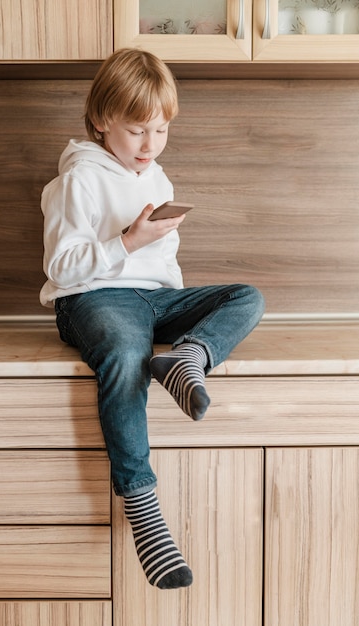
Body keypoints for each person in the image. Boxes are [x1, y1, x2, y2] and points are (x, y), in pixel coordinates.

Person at [40, 47, 265, 590]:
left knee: (247, 295)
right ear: (101, 122)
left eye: (160, 130)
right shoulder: (79, 180)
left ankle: (189, 357)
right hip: (93, 298)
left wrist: (180, 311)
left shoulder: (156, 178)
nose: (150, 144)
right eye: (138, 130)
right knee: (125, 353)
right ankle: (143, 505)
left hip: (152, 300)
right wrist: (127, 242)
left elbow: (163, 265)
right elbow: (60, 265)